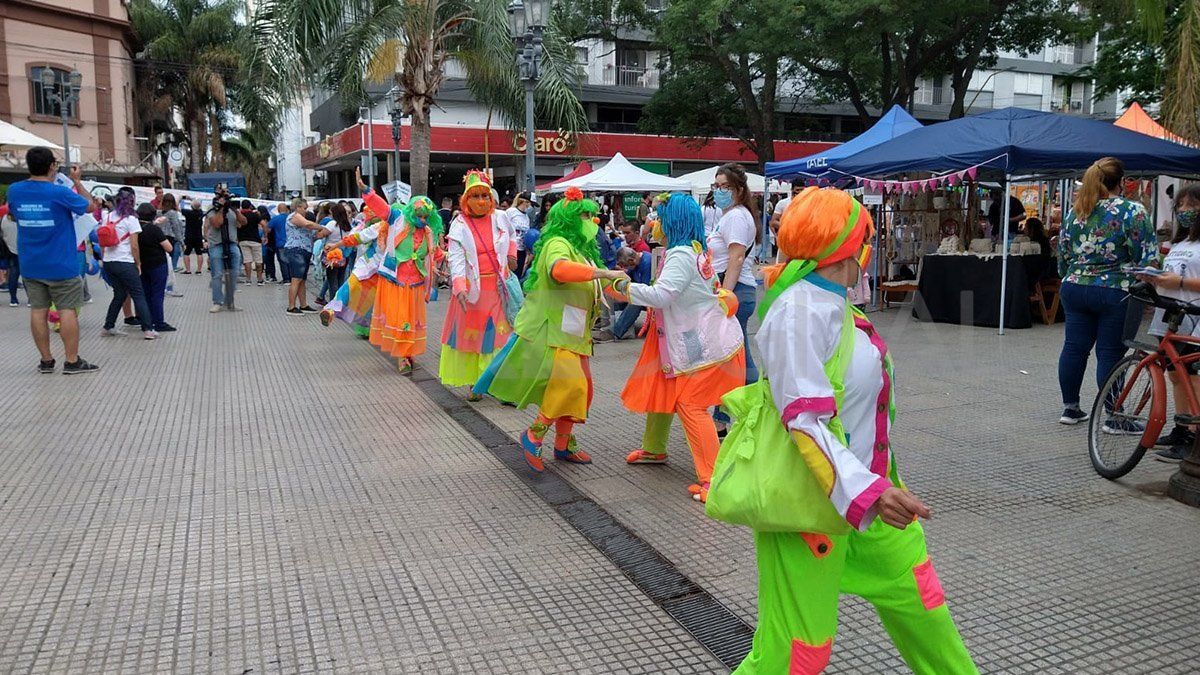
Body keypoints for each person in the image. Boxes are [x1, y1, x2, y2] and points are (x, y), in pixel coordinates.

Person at [733, 186, 977, 675]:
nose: (871, 244)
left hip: (876, 501)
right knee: (796, 654)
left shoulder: (836, 302)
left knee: (926, 611)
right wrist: (867, 492)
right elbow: (805, 421)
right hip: (812, 512)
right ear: (848, 245)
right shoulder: (797, 313)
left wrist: (880, 487)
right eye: (867, 235)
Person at [474, 188, 628, 471]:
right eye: (585, 215)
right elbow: (560, 270)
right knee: (570, 386)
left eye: (593, 216)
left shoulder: (583, 252)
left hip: (573, 333)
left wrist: (637, 291)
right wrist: (604, 272)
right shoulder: (557, 243)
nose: (592, 221)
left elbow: (604, 286)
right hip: (552, 329)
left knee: (583, 391)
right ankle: (534, 434)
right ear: (568, 218)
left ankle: (563, 444)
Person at [617, 194, 746, 501]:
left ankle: (713, 479)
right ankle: (654, 448)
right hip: (695, 337)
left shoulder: (680, 255)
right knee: (664, 387)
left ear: (673, 221)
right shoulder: (695, 251)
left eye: (660, 217)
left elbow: (662, 296)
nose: (654, 223)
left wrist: (622, 287)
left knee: (691, 404)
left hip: (700, 343)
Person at [1057, 157, 1155, 427]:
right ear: (1122, 182)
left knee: (1074, 348)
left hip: (1075, 286)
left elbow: (1062, 256)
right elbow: (1146, 255)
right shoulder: (1131, 211)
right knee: (1110, 352)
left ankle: (1070, 408)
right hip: (1115, 289)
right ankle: (1113, 415)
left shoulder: (1075, 212)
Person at [5, 147, 99, 373]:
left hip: (30, 263)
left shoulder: (15, 190)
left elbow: (13, 214)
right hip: (60, 264)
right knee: (67, 310)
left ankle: (46, 361)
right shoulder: (59, 192)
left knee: (38, 310)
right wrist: (77, 181)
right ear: (52, 167)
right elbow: (90, 206)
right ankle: (72, 360)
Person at [438, 170, 517, 399]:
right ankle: (475, 383)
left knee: (500, 338)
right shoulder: (459, 224)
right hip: (472, 292)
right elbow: (456, 257)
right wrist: (460, 287)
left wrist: (512, 255)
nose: (481, 201)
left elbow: (511, 237)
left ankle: (499, 384)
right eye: (475, 196)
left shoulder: (501, 217)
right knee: (475, 338)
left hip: (498, 289)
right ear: (466, 200)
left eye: (485, 196)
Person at [1137, 184, 1200, 461]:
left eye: (1192, 206)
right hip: (1174, 315)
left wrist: (1180, 282)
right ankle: (1181, 428)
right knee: (1176, 375)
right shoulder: (1180, 242)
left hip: (1195, 316)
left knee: (1193, 377)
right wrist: (1155, 276)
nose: (1186, 212)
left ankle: (1195, 437)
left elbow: (1184, 278)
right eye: (1181, 207)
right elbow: (1173, 273)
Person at [357, 172, 443, 373]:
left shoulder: (429, 233)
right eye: (419, 215)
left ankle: (408, 353)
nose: (422, 219)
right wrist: (366, 191)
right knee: (399, 319)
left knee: (411, 321)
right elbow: (382, 209)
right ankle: (403, 357)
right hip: (395, 281)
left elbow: (435, 253)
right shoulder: (398, 220)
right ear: (412, 213)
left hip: (415, 285)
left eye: (425, 216)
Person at [709, 162, 760, 434]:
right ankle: (729, 416)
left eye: (725, 187)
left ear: (739, 190)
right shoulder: (730, 216)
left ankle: (740, 415)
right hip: (735, 290)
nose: (719, 191)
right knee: (734, 356)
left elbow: (736, 257)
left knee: (735, 357)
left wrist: (724, 295)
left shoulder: (737, 217)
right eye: (716, 187)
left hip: (736, 290)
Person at [320, 201, 385, 338]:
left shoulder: (398, 228)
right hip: (367, 267)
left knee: (370, 301)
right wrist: (335, 246)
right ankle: (331, 310)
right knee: (351, 288)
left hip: (384, 271)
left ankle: (376, 329)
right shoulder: (375, 228)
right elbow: (355, 238)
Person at [100, 187, 156, 340]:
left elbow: (102, 241)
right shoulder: (131, 219)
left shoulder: (108, 217)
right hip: (125, 262)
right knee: (138, 294)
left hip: (109, 262)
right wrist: (138, 263)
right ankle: (148, 329)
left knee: (119, 294)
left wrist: (103, 259)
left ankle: (108, 326)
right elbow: (134, 246)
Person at [282, 198, 330, 315]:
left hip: (305, 250)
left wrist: (322, 233)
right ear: (297, 207)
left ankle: (303, 305)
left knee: (302, 280)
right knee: (296, 278)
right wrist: (322, 227)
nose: (305, 210)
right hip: (296, 250)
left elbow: (313, 234)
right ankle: (291, 307)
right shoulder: (294, 216)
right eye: (304, 208)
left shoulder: (302, 220)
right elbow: (308, 224)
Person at [136, 203, 175, 333]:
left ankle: (146, 322)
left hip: (141, 265)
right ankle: (159, 322)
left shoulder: (135, 229)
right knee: (157, 295)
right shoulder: (154, 230)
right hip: (158, 265)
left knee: (146, 295)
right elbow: (169, 247)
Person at [316, 203, 353, 304]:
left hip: (331, 256)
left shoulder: (332, 224)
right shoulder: (348, 225)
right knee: (341, 280)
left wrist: (318, 229)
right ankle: (341, 302)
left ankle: (333, 303)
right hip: (343, 255)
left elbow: (321, 235)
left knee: (332, 281)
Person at [157, 194, 185, 298]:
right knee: (171, 265)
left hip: (159, 239)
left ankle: (163, 287)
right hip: (170, 239)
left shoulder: (158, 213)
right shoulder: (173, 213)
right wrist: (182, 242)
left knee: (163, 264)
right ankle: (170, 288)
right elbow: (176, 228)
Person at [236, 199, 265, 285]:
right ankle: (259, 279)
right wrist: (265, 236)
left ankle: (248, 279)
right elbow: (264, 224)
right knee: (258, 260)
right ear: (250, 206)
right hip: (255, 240)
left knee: (247, 260)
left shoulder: (239, 216)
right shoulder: (255, 215)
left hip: (243, 240)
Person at [507, 191, 535, 276]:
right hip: (511, 248)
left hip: (522, 250)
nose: (531, 207)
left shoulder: (526, 217)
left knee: (518, 274)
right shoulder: (511, 212)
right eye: (531, 204)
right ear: (525, 202)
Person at [1, 202, 19, 306]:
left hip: (9, 250)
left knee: (13, 274)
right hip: (23, 250)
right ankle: (30, 299)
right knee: (27, 276)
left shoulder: (3, 220)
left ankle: (13, 299)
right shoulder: (20, 221)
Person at [181, 197, 206, 274]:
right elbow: (198, 205)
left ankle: (188, 270)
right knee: (199, 252)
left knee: (186, 252)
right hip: (198, 235)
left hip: (189, 235)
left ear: (191, 206)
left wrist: (180, 198)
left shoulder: (188, 213)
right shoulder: (200, 213)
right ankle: (199, 270)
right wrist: (192, 200)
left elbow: (177, 207)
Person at [267, 203, 290, 283]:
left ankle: (286, 279)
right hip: (292, 242)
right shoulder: (291, 218)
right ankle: (291, 277)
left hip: (280, 242)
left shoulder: (275, 219)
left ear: (278, 210)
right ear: (287, 209)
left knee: (283, 261)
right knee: (290, 261)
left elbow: (268, 229)